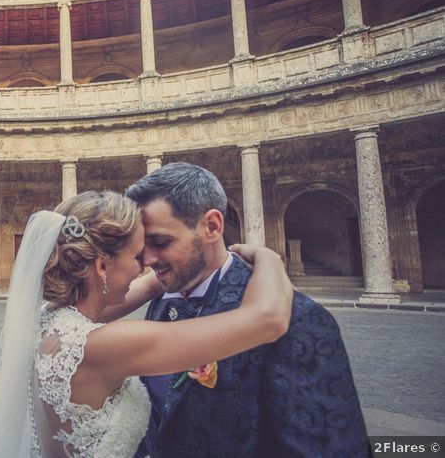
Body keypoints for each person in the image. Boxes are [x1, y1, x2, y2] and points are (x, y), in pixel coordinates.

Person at [0, 190, 294, 458]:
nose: (146, 265)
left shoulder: (50, 319)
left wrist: (177, 267)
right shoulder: (107, 345)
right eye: (137, 257)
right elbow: (269, 319)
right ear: (102, 265)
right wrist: (269, 260)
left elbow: (144, 287)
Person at [126, 162, 370, 457]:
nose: (147, 259)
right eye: (141, 246)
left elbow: (330, 447)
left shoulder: (299, 318)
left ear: (213, 227)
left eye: (161, 242)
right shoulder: (162, 298)